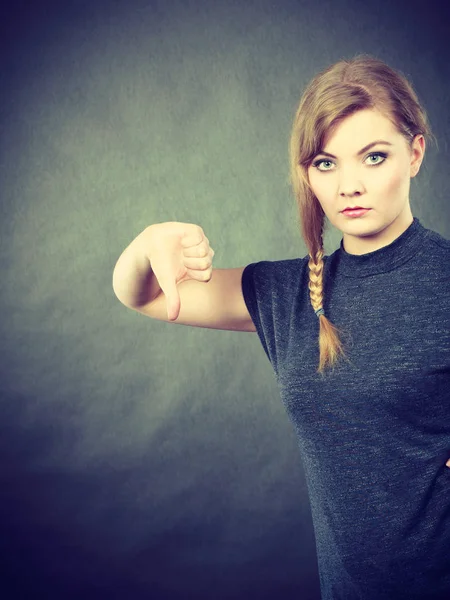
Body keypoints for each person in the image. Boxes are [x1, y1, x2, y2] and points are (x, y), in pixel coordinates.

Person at [112, 53, 450, 599]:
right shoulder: (287, 294)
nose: (349, 185)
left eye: (374, 156)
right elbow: (144, 295)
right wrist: (146, 242)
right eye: (326, 163)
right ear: (307, 174)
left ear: (414, 155)